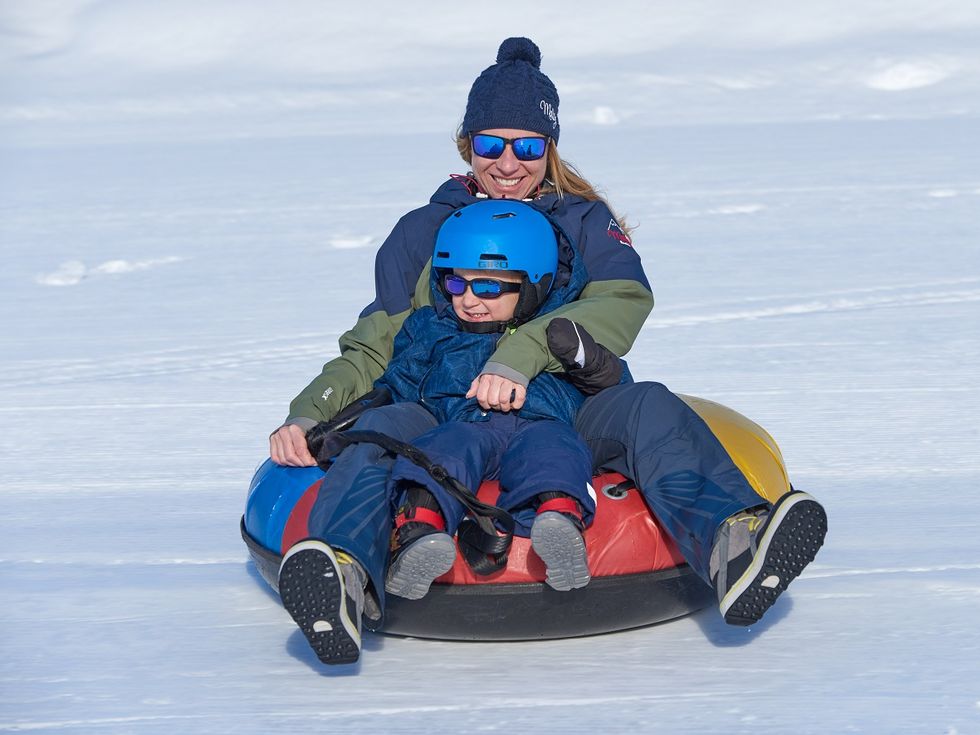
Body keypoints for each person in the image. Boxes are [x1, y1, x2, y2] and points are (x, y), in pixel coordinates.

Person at [269, 36, 827, 664]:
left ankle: (734, 546)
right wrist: (311, 411)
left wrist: (525, 354)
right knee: (378, 435)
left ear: (550, 148)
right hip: (442, 403)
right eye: (491, 145)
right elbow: (379, 339)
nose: (508, 163)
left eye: (528, 147)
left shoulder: (582, 221)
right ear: (467, 145)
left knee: (647, 405)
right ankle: (344, 576)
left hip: (564, 399)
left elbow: (620, 301)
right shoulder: (424, 230)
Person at [279, 199, 627, 664]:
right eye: (456, 283)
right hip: (456, 426)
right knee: (427, 452)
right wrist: (339, 421)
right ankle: (378, 556)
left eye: (488, 285)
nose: (468, 299)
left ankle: (559, 524)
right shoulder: (433, 328)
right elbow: (394, 378)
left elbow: (606, 380)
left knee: (553, 452)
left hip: (539, 428)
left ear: (535, 284)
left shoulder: (557, 337)